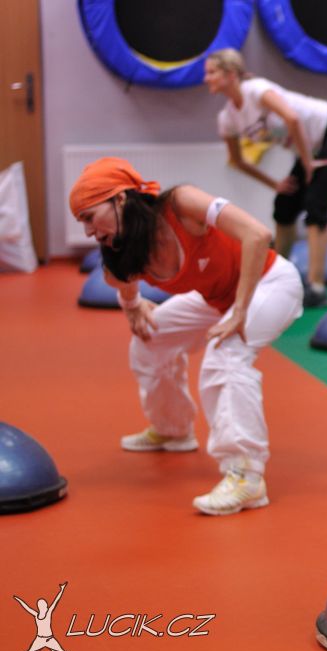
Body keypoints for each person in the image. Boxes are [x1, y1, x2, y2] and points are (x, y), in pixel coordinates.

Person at [69, 157, 304, 515]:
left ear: (119, 199)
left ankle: (247, 476)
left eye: (89, 216)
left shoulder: (180, 205)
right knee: (150, 338)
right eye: (82, 222)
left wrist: (240, 310)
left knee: (225, 353)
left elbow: (257, 234)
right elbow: (124, 282)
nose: (88, 231)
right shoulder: (122, 246)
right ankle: (173, 428)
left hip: (270, 283)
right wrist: (133, 307)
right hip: (217, 300)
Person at [204, 48, 327, 308]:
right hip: (308, 148)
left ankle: (317, 287)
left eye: (211, 72)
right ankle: (277, 277)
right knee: (284, 204)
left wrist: (307, 162)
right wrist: (276, 184)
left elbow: (292, 118)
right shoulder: (227, 118)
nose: (206, 78)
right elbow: (237, 161)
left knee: (316, 206)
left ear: (230, 74)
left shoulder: (256, 90)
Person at [12, 583, 84, 651]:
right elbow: (26, 607)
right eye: (42, 605)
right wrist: (19, 600)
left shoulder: (48, 613)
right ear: (39, 606)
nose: (44, 606)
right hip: (39, 639)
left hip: (50, 639)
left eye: (44, 604)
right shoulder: (36, 615)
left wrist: (62, 590)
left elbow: (56, 601)